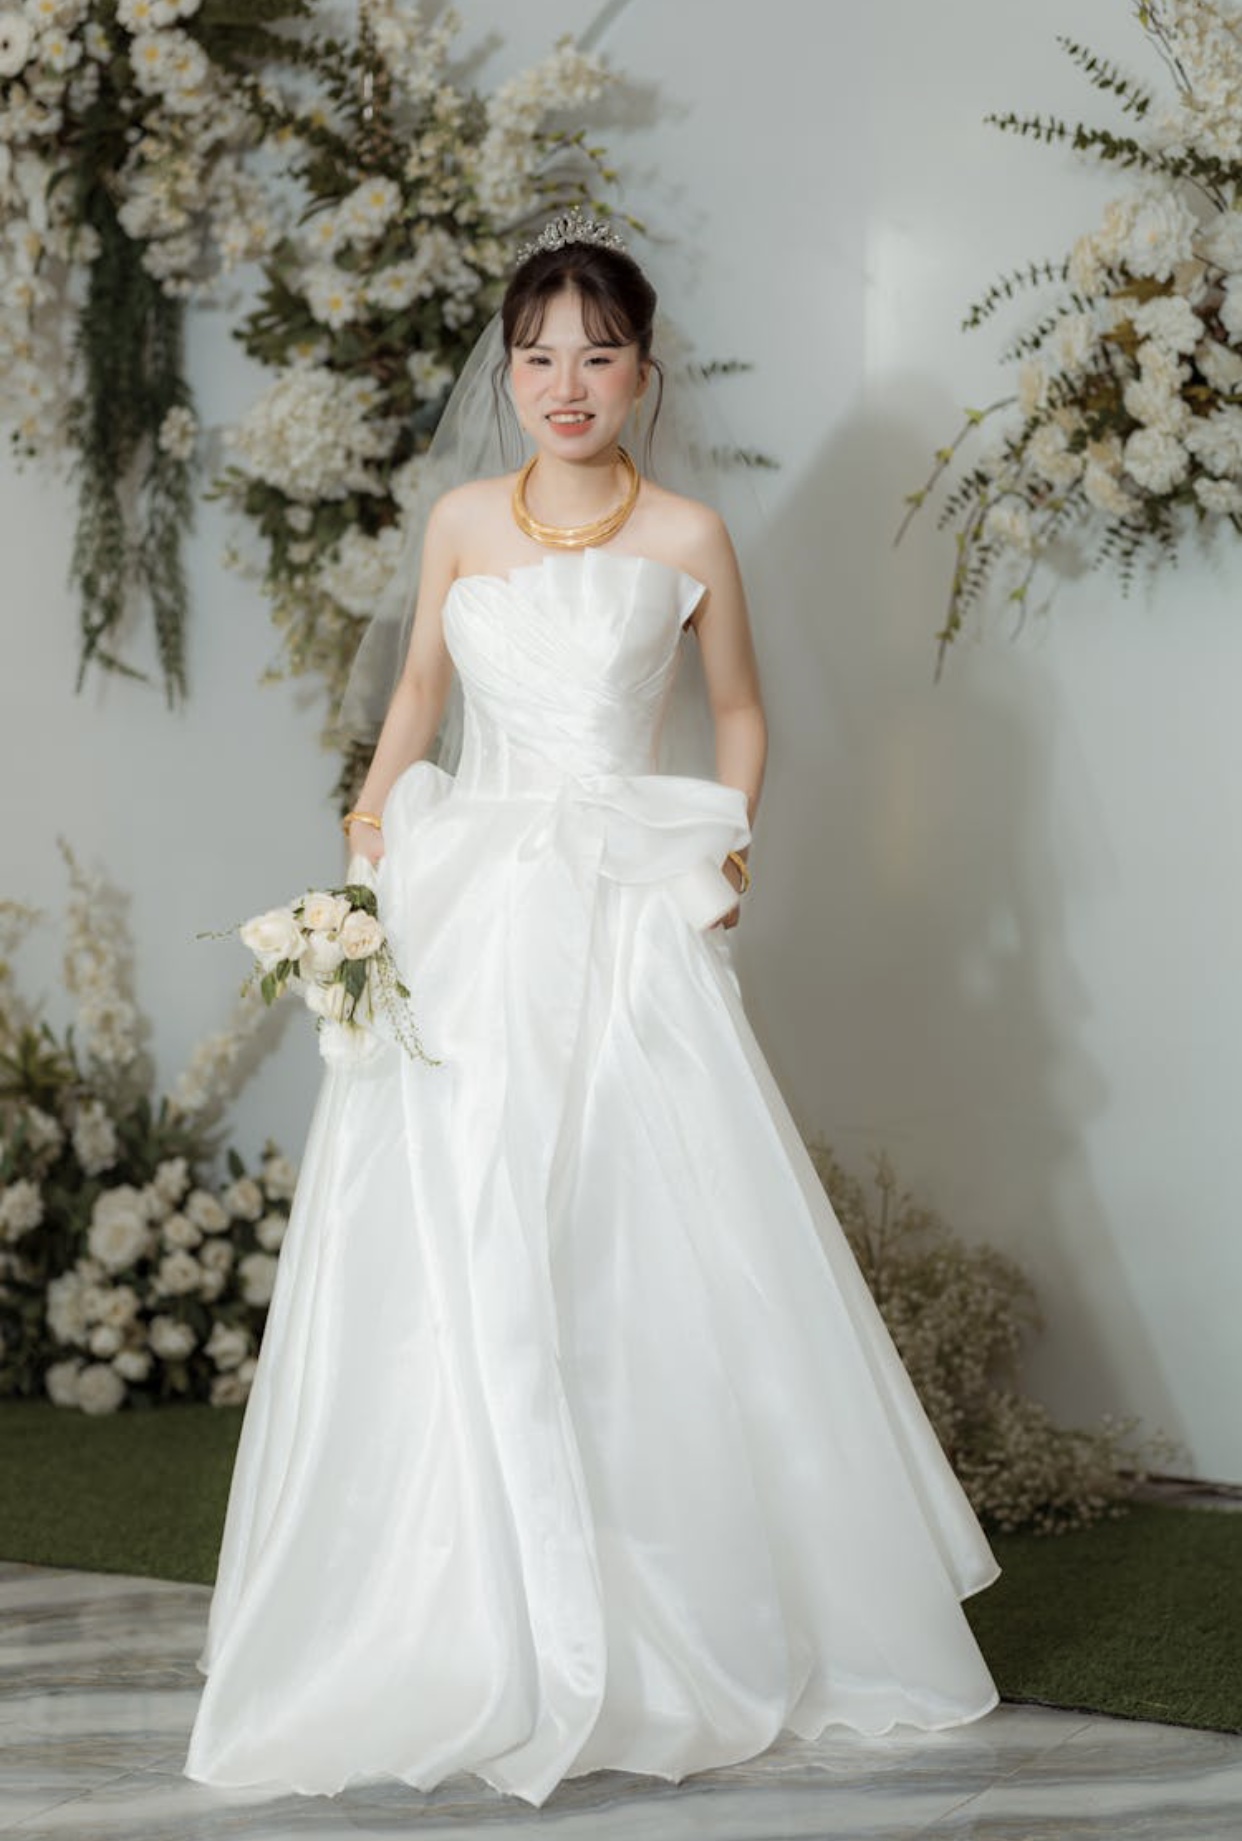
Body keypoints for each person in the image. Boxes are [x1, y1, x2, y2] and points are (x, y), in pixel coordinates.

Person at [184, 214, 999, 1810]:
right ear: (507, 368)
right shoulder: (460, 520)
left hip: (627, 908)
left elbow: (743, 712)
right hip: (469, 898)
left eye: (597, 354)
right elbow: (416, 693)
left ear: (643, 370)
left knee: (646, 1234)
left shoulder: (688, 537)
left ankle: (667, 1612)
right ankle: (448, 1599)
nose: (566, 382)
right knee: (452, 1221)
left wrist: (725, 856)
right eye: (538, 353)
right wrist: (365, 857)